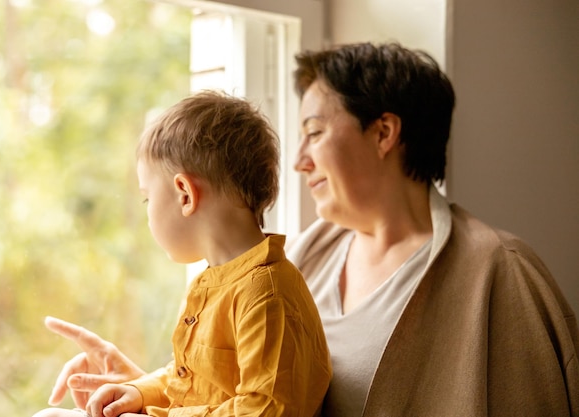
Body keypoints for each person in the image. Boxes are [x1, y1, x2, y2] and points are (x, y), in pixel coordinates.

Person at [41, 42, 579, 416]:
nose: (297, 161)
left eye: (315, 132)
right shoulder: (300, 256)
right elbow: (249, 389)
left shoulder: (500, 273)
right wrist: (139, 387)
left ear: (384, 132)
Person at [33, 90, 332, 417]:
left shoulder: (267, 294)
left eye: (148, 199)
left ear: (185, 194)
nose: (148, 213)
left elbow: (268, 408)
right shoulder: (212, 284)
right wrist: (138, 392)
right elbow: (188, 380)